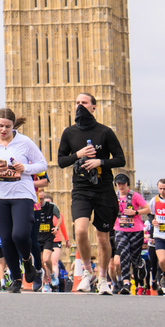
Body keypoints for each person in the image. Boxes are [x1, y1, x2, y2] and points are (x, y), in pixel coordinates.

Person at [56, 91, 126, 295]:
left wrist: (100, 162)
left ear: (94, 107)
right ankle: (88, 271)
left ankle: (103, 278)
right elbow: (61, 161)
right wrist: (77, 155)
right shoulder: (69, 133)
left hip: (103, 189)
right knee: (80, 231)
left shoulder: (105, 132)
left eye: (84, 102)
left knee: (103, 238)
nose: (80, 105)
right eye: (77, 102)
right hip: (81, 189)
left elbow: (120, 159)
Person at [0, 106, 47, 293]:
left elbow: (42, 164)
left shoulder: (24, 142)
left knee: (20, 235)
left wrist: (25, 168)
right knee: (6, 239)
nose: (4, 130)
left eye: (8, 126)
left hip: (22, 195)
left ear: (13, 126)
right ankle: (16, 279)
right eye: (0, 126)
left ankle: (27, 260)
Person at [33, 187, 61, 292]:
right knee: (40, 263)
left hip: (48, 237)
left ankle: (52, 274)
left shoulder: (51, 206)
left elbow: (59, 217)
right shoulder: (33, 207)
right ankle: (46, 283)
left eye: (41, 199)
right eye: (38, 199)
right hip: (37, 237)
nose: (40, 201)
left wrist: (56, 227)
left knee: (46, 259)